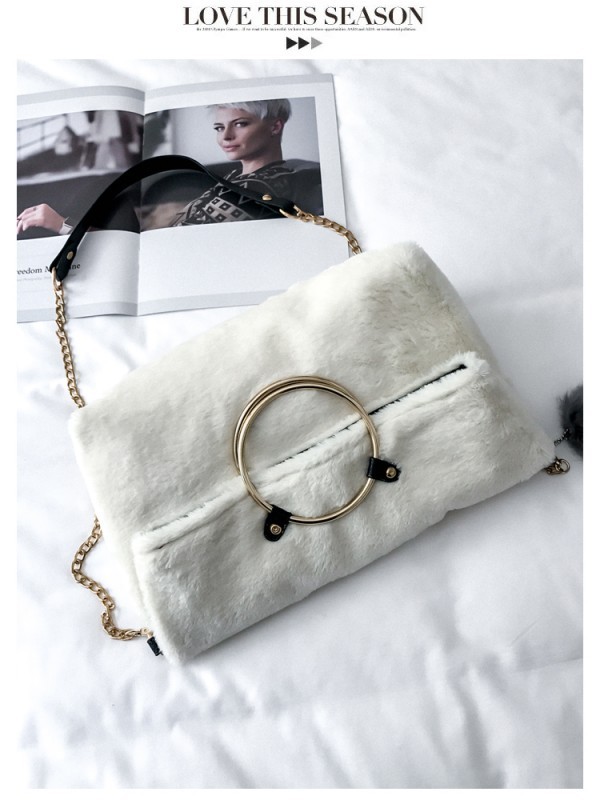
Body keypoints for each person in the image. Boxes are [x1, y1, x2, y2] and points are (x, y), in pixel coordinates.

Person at [168, 99, 323, 226]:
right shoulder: (236, 176)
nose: (226, 136)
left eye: (240, 124)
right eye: (219, 128)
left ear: (275, 127)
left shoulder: (258, 186)